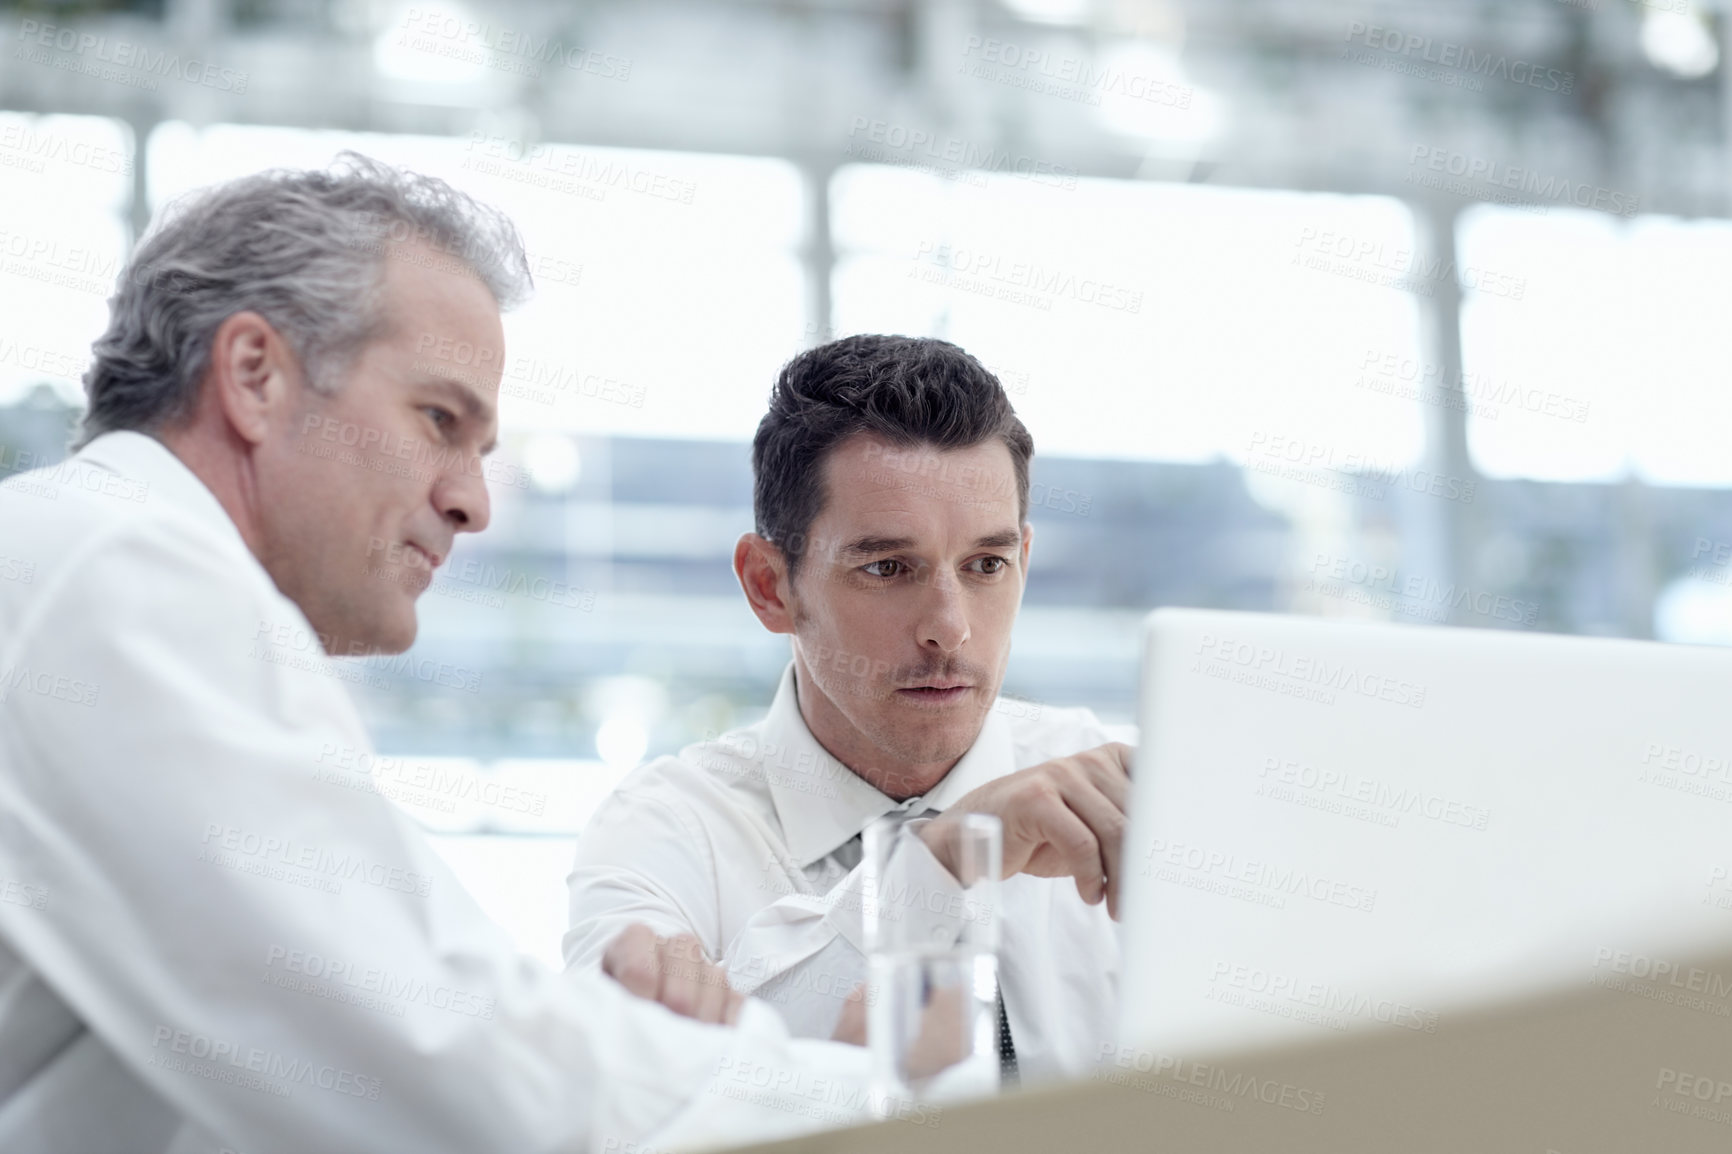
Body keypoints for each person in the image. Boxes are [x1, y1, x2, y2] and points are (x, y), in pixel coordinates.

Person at [0, 154, 877, 1154]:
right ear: (254, 375)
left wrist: (647, 1049)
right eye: (438, 420)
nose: (473, 499)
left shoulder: (93, 570)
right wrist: (879, 1100)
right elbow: (426, 1060)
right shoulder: (125, 575)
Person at [564, 335, 1133, 1082]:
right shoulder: (666, 834)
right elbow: (634, 1101)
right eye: (888, 568)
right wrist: (942, 861)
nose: (949, 626)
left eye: (987, 565)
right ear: (771, 586)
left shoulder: (1115, 801)